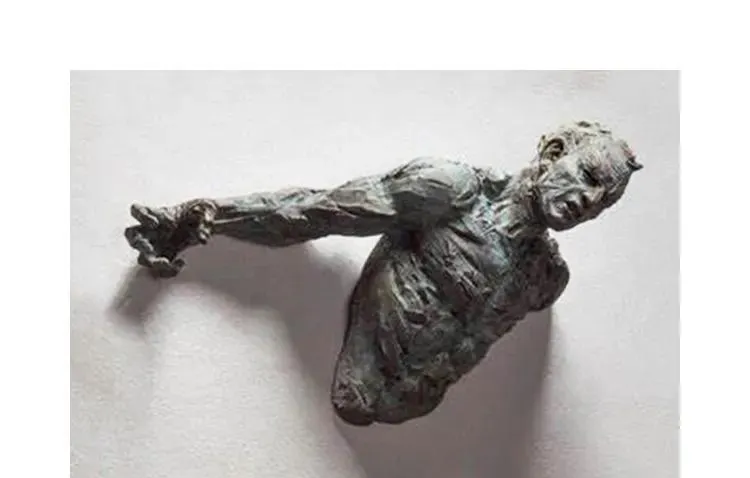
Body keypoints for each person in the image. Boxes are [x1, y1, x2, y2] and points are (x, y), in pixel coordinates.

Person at [125, 121, 642, 425]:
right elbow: (319, 210)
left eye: (604, 201)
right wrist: (211, 215)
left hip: (416, 407)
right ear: (553, 154)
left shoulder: (545, 280)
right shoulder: (451, 191)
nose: (589, 200)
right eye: (589, 176)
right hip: (364, 372)